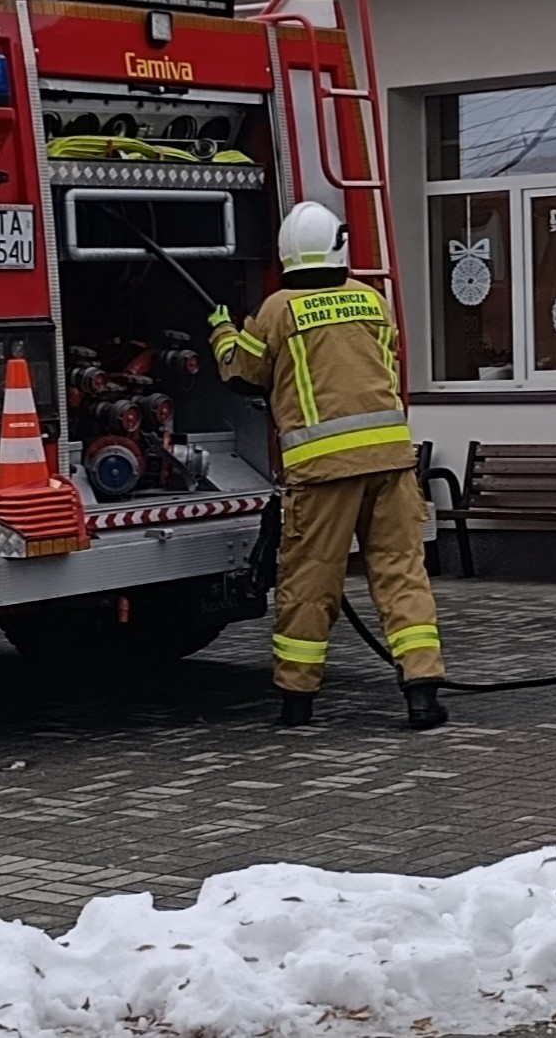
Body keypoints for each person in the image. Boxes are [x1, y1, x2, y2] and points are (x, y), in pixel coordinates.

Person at [209, 201, 447, 730]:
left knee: (310, 582)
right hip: (391, 464)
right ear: (338, 247)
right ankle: (423, 692)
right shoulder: (371, 299)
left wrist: (223, 330)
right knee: (402, 574)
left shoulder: (278, 310)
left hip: (323, 473)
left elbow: (243, 372)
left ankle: (297, 700)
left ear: (287, 254)